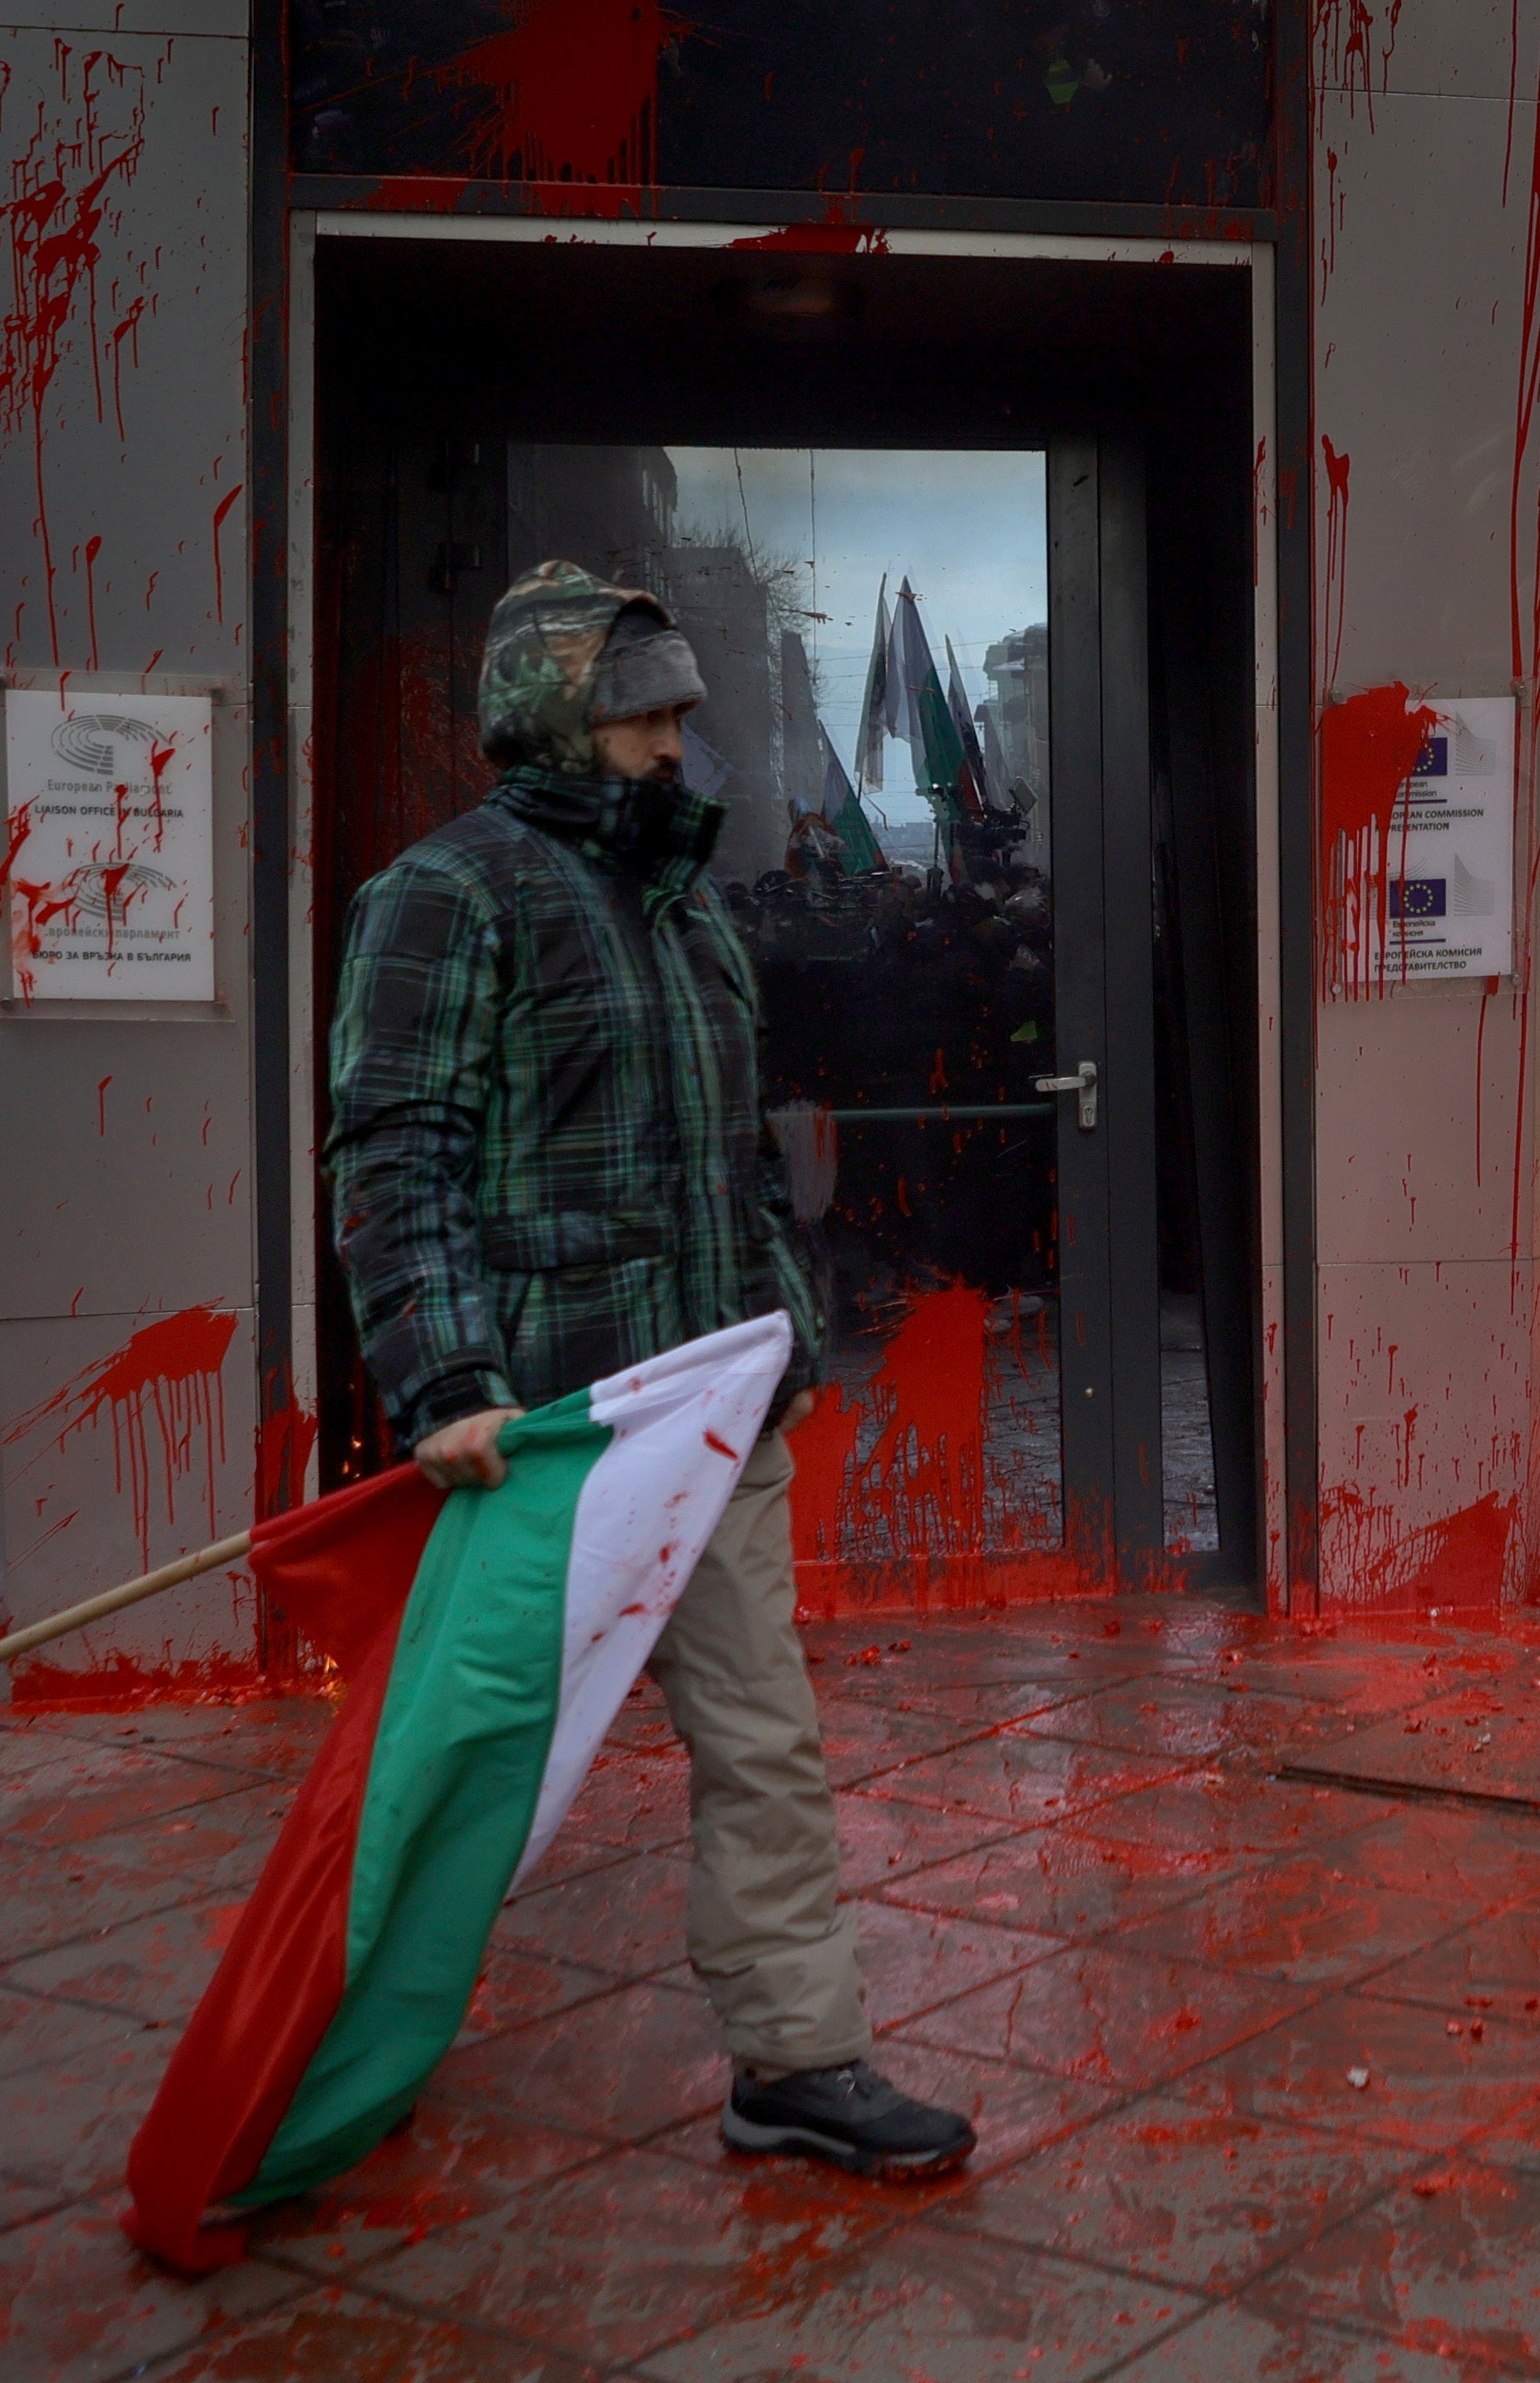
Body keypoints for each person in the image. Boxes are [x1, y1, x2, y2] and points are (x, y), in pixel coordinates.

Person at [325, 561, 974, 2181]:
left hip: (703, 1418)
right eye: (645, 710)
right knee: (461, 1768)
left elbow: (732, 1160)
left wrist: (781, 1331)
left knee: (764, 1735)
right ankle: (332, 2048)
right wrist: (443, 1382)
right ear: (559, 708)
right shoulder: (444, 894)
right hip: (541, 1437)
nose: (677, 738)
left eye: (682, 706)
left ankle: (797, 2059)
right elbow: (392, 1156)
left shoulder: (685, 910)